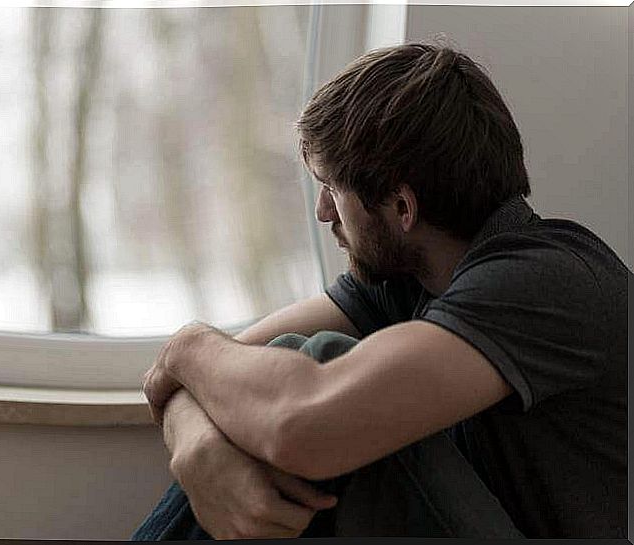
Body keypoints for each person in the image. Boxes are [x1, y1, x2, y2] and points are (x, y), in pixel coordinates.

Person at [133, 43, 629, 539]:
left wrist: (188, 343)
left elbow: (296, 424)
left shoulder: (546, 280)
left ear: (401, 206)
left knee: (319, 372)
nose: (323, 212)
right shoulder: (417, 278)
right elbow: (214, 373)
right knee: (276, 373)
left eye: (332, 189)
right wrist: (200, 452)